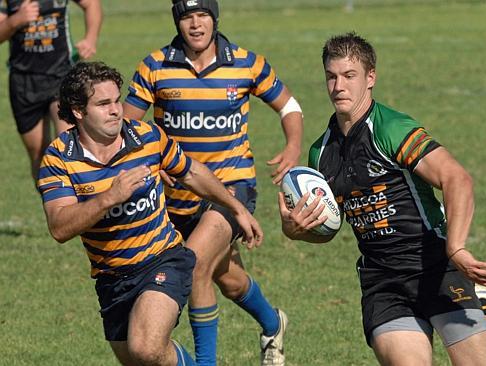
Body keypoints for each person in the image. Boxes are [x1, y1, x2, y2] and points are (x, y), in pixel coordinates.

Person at [278, 32, 486, 366]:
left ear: (370, 78)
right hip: (383, 281)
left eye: (349, 76)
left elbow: (456, 179)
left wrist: (456, 247)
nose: (338, 86)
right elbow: (330, 223)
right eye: (331, 76)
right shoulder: (321, 152)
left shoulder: (392, 129)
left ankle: (485, 312)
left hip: (435, 265)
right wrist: (296, 230)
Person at [37, 61, 263, 366]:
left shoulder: (146, 137)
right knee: (142, 359)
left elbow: (192, 172)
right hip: (111, 278)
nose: (117, 110)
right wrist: (109, 197)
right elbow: (59, 227)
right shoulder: (58, 160)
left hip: (162, 259)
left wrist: (237, 208)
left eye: (117, 100)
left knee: (146, 347)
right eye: (104, 104)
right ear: (78, 111)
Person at [122, 1, 301, 364]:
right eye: (187, 17)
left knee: (197, 263)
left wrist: (292, 146)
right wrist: (154, 161)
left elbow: (289, 106)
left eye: (202, 15)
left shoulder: (247, 63)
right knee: (226, 277)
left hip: (234, 186)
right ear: (177, 21)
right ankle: (273, 322)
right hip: (176, 197)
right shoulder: (155, 66)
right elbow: (127, 127)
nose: (196, 24)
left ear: (214, 18)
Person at [0, 0, 102, 181]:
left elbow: (91, 4)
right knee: (39, 154)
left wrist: (91, 38)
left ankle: (78, 202)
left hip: (61, 74)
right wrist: (16, 20)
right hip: (24, 82)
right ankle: (54, 204)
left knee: (67, 143)